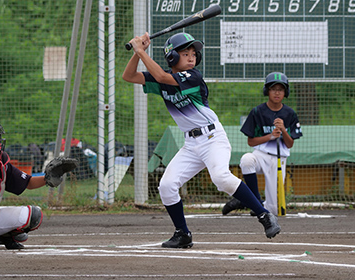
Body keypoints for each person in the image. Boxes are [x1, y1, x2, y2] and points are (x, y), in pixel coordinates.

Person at [122, 32, 281, 248]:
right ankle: (182, 234)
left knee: (221, 177)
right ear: (171, 58)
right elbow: (128, 76)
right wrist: (139, 52)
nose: (191, 57)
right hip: (191, 144)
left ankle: (264, 215)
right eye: (185, 53)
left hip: (213, 138)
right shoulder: (162, 77)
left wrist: (141, 51)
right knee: (167, 185)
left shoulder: (192, 76)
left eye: (193, 54)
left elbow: (161, 77)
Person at [222, 72, 303, 216]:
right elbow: (250, 141)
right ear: (267, 91)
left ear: (285, 92)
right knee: (246, 160)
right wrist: (270, 136)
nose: (277, 93)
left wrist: (283, 130)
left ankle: (245, 201)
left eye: (280, 89)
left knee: (274, 210)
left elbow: (290, 144)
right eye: (273, 89)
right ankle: (256, 202)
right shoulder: (257, 111)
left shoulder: (290, 114)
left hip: (279, 159)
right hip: (260, 155)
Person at [0, 121, 77, 249]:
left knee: (32, 215)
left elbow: (28, 182)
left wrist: (48, 178)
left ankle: (2, 235)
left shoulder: (1, 162)